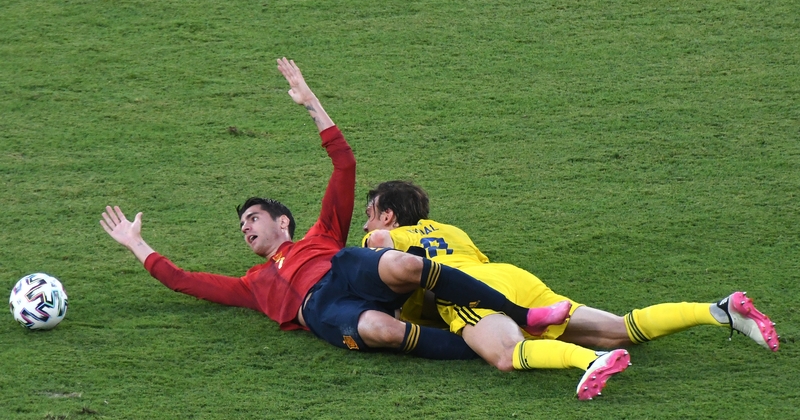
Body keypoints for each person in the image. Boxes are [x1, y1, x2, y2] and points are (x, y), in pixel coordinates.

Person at [100, 58, 568, 361]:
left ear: (283, 221)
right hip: (322, 308)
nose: (246, 229)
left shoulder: (324, 234)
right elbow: (184, 281)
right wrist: (137, 244)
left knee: (406, 263)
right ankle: (490, 349)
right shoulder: (252, 285)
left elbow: (344, 164)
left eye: (253, 218)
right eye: (243, 225)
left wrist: (311, 104)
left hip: (345, 270)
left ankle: (521, 315)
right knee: (382, 330)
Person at [361, 180, 780, 400]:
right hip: (514, 279)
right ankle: (718, 310)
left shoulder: (382, 240)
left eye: (370, 215)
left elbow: (386, 259)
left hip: (469, 291)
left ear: (389, 217)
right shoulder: (452, 230)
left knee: (505, 355)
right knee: (619, 327)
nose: (364, 225)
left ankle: (591, 362)